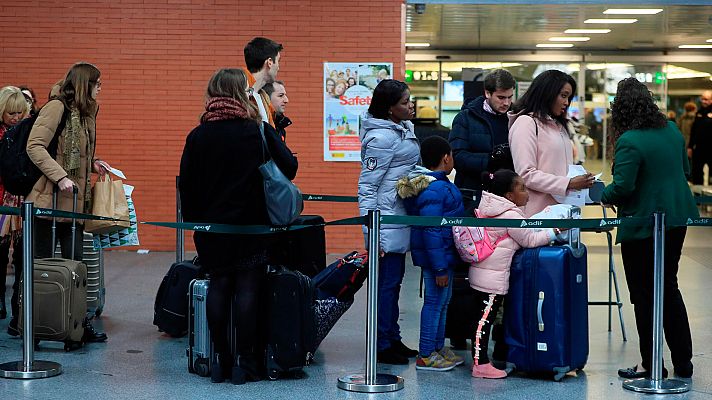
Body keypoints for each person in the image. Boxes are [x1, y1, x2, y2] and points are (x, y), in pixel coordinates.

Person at [179, 68, 297, 384]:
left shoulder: (198, 135)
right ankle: (245, 364)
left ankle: (221, 362)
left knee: (219, 285)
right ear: (243, 94)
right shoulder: (253, 130)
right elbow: (289, 166)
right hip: (251, 225)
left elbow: (186, 185)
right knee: (248, 288)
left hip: (213, 229)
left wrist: (196, 222)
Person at [602, 77, 698, 380]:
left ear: (621, 108)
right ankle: (684, 363)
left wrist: (600, 194)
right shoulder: (670, 130)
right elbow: (685, 170)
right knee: (669, 287)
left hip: (645, 223)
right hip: (677, 218)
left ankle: (650, 363)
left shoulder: (630, 139)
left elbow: (623, 187)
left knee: (643, 295)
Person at [26, 62, 109, 343]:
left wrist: (93, 164)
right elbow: (35, 145)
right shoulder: (56, 108)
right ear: (86, 85)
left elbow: (76, 154)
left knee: (77, 267)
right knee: (41, 268)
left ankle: (76, 323)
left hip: (72, 205)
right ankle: (33, 324)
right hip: (47, 201)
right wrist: (61, 176)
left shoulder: (86, 114)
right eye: (97, 83)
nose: (101, 88)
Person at [470, 169, 561, 378]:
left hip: (483, 273)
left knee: (481, 319)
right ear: (509, 196)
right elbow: (529, 239)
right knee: (484, 321)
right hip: (491, 279)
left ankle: (481, 360)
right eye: (521, 187)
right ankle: (480, 364)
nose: (526, 191)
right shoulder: (510, 215)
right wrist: (555, 230)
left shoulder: (492, 208)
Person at [358, 79, 419, 365]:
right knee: (386, 285)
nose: (411, 105)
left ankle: (392, 336)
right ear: (389, 108)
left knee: (394, 284)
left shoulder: (403, 129)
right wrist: (371, 233)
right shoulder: (381, 138)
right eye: (405, 102)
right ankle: (382, 343)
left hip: (400, 216)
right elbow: (367, 188)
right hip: (386, 221)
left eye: (410, 100)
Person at [396, 136, 465, 372]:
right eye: (452, 155)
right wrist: (438, 267)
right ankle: (426, 354)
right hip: (438, 258)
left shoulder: (436, 184)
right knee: (434, 303)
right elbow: (432, 230)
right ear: (446, 158)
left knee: (442, 302)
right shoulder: (434, 189)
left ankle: (436, 348)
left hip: (445, 255)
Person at [508, 69, 594, 217]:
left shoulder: (560, 126)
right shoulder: (526, 123)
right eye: (563, 96)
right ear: (547, 93)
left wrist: (580, 178)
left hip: (563, 213)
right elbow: (525, 174)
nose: (567, 103)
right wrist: (568, 183)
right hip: (538, 216)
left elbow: (559, 167)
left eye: (569, 97)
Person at [449, 69, 516, 212]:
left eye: (510, 97)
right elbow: (457, 156)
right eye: (501, 97)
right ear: (487, 93)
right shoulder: (465, 118)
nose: (506, 103)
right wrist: (490, 159)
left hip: (506, 196)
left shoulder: (516, 118)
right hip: (473, 195)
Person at [0, 86, 30, 324]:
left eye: (20, 112)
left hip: (23, 202)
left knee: (21, 258)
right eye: (11, 112)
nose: (16, 117)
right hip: (2, 202)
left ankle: (18, 310)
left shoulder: (28, 133)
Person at [243, 37, 283, 127]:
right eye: (278, 61)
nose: (278, 67)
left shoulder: (263, 97)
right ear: (269, 62)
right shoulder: (240, 94)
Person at [688, 90, 712, 185]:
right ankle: (698, 198)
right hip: (699, 148)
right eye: (702, 99)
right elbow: (693, 131)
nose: (703, 101)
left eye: (706, 99)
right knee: (697, 173)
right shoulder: (699, 113)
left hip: (711, 148)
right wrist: (690, 147)